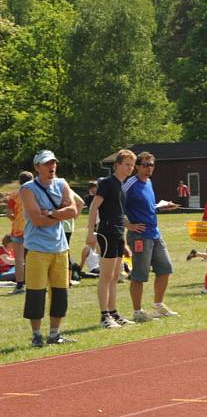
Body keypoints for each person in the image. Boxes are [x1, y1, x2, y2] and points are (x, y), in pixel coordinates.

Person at [19, 150, 79, 347]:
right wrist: (60, 213)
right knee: (36, 293)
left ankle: (55, 334)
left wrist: (51, 213)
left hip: (60, 248)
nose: (51, 167)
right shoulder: (28, 189)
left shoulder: (62, 184)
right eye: (46, 164)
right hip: (37, 249)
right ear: (37, 167)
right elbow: (36, 220)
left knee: (60, 293)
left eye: (53, 163)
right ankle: (36, 335)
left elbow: (74, 210)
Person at [123, 151, 180, 322]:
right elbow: (115, 206)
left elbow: (147, 207)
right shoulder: (129, 184)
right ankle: (137, 312)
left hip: (155, 233)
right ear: (137, 167)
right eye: (145, 165)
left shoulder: (149, 183)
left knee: (165, 268)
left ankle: (158, 306)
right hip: (139, 236)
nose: (149, 168)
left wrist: (161, 207)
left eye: (152, 165)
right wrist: (129, 225)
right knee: (140, 275)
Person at [86, 149, 137, 329]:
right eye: (127, 164)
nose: (130, 168)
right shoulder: (108, 183)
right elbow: (94, 207)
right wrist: (91, 232)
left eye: (132, 165)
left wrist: (127, 230)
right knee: (106, 276)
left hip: (117, 233)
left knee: (115, 276)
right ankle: (104, 316)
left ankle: (114, 312)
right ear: (117, 165)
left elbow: (118, 213)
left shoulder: (122, 186)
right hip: (106, 233)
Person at [5, 170, 33, 294]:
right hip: (33, 229)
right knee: (35, 257)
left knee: (18, 259)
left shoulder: (14, 194)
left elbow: (9, 213)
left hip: (17, 230)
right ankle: (36, 283)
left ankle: (20, 285)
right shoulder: (35, 192)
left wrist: (15, 218)